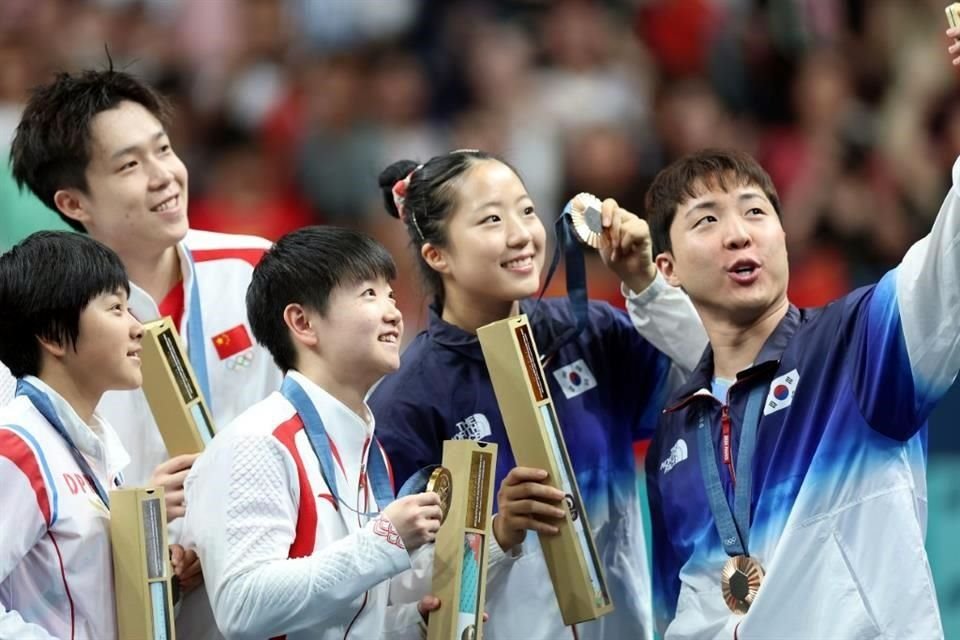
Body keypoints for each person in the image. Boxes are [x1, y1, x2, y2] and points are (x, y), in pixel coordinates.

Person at [369, 150, 707, 640]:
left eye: (526, 210)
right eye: (491, 219)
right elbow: (402, 591)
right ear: (436, 254)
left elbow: (716, 373)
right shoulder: (408, 401)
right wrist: (499, 534)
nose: (521, 234)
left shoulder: (589, 332)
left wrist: (645, 284)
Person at [643, 141, 959, 637]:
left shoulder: (858, 343)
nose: (739, 234)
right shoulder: (674, 432)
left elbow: (949, 263)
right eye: (707, 220)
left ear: (783, 237)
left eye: (754, 211)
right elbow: (680, 603)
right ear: (668, 268)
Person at [8, 67, 282, 637]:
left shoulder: (261, 272)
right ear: (73, 202)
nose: (165, 176)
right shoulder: (42, 325)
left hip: (266, 589)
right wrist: (151, 531)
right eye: (130, 165)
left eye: (164, 149)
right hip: (126, 606)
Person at [182, 226, 446, 639]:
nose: (393, 311)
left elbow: (347, 610)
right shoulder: (258, 442)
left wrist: (411, 622)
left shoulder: (363, 445)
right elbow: (243, 606)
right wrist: (385, 540)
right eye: (368, 295)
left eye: (390, 295)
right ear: (302, 322)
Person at [0, 231, 141, 638]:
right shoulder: (17, 447)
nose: (138, 329)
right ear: (51, 333)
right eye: (116, 308)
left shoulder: (96, 447)